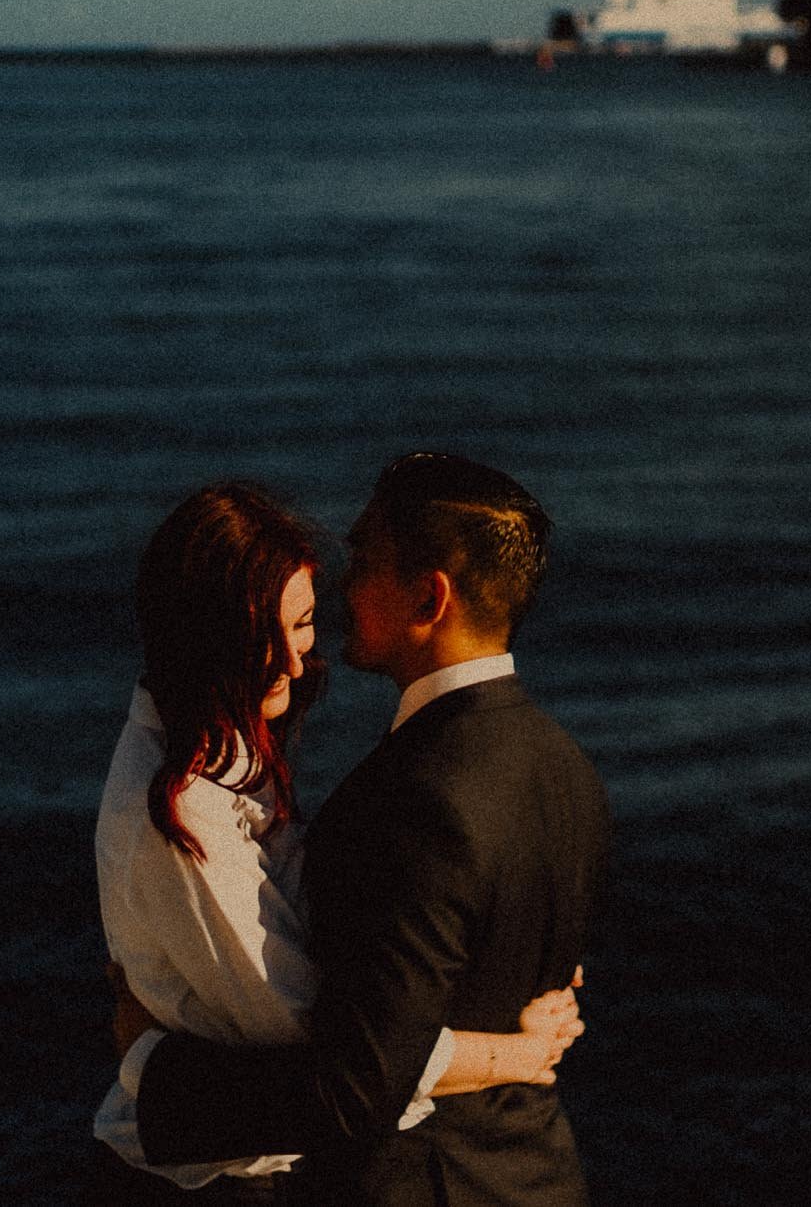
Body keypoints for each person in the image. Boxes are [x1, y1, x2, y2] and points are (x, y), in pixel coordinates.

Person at [118, 455, 611, 1207]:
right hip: (538, 1174)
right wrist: (520, 1047)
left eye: (366, 560)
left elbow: (357, 1084)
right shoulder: (566, 766)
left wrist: (152, 1069)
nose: (345, 585)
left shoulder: (413, 801)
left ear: (428, 596)